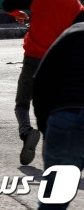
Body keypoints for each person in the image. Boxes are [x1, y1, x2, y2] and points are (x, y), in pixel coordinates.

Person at [2, 0, 84, 166]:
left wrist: (19, 13)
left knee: (22, 102)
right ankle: (53, 145)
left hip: (33, 58)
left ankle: (26, 131)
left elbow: (6, 3)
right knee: (53, 107)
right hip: (59, 64)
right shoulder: (77, 7)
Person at [33, 22, 84, 210]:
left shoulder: (74, 31)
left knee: (53, 202)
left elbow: (40, 81)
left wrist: (45, 130)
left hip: (65, 118)